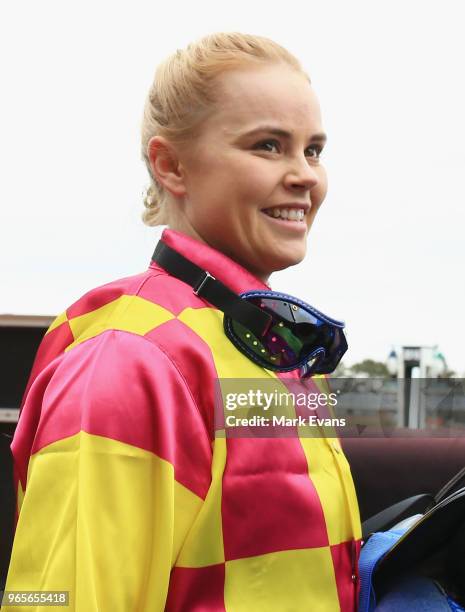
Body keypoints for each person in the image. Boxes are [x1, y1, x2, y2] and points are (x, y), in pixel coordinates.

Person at [4, 32, 361, 611]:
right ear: (171, 165)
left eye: (312, 150)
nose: (305, 176)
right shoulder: (128, 357)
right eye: (268, 146)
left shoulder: (271, 344)